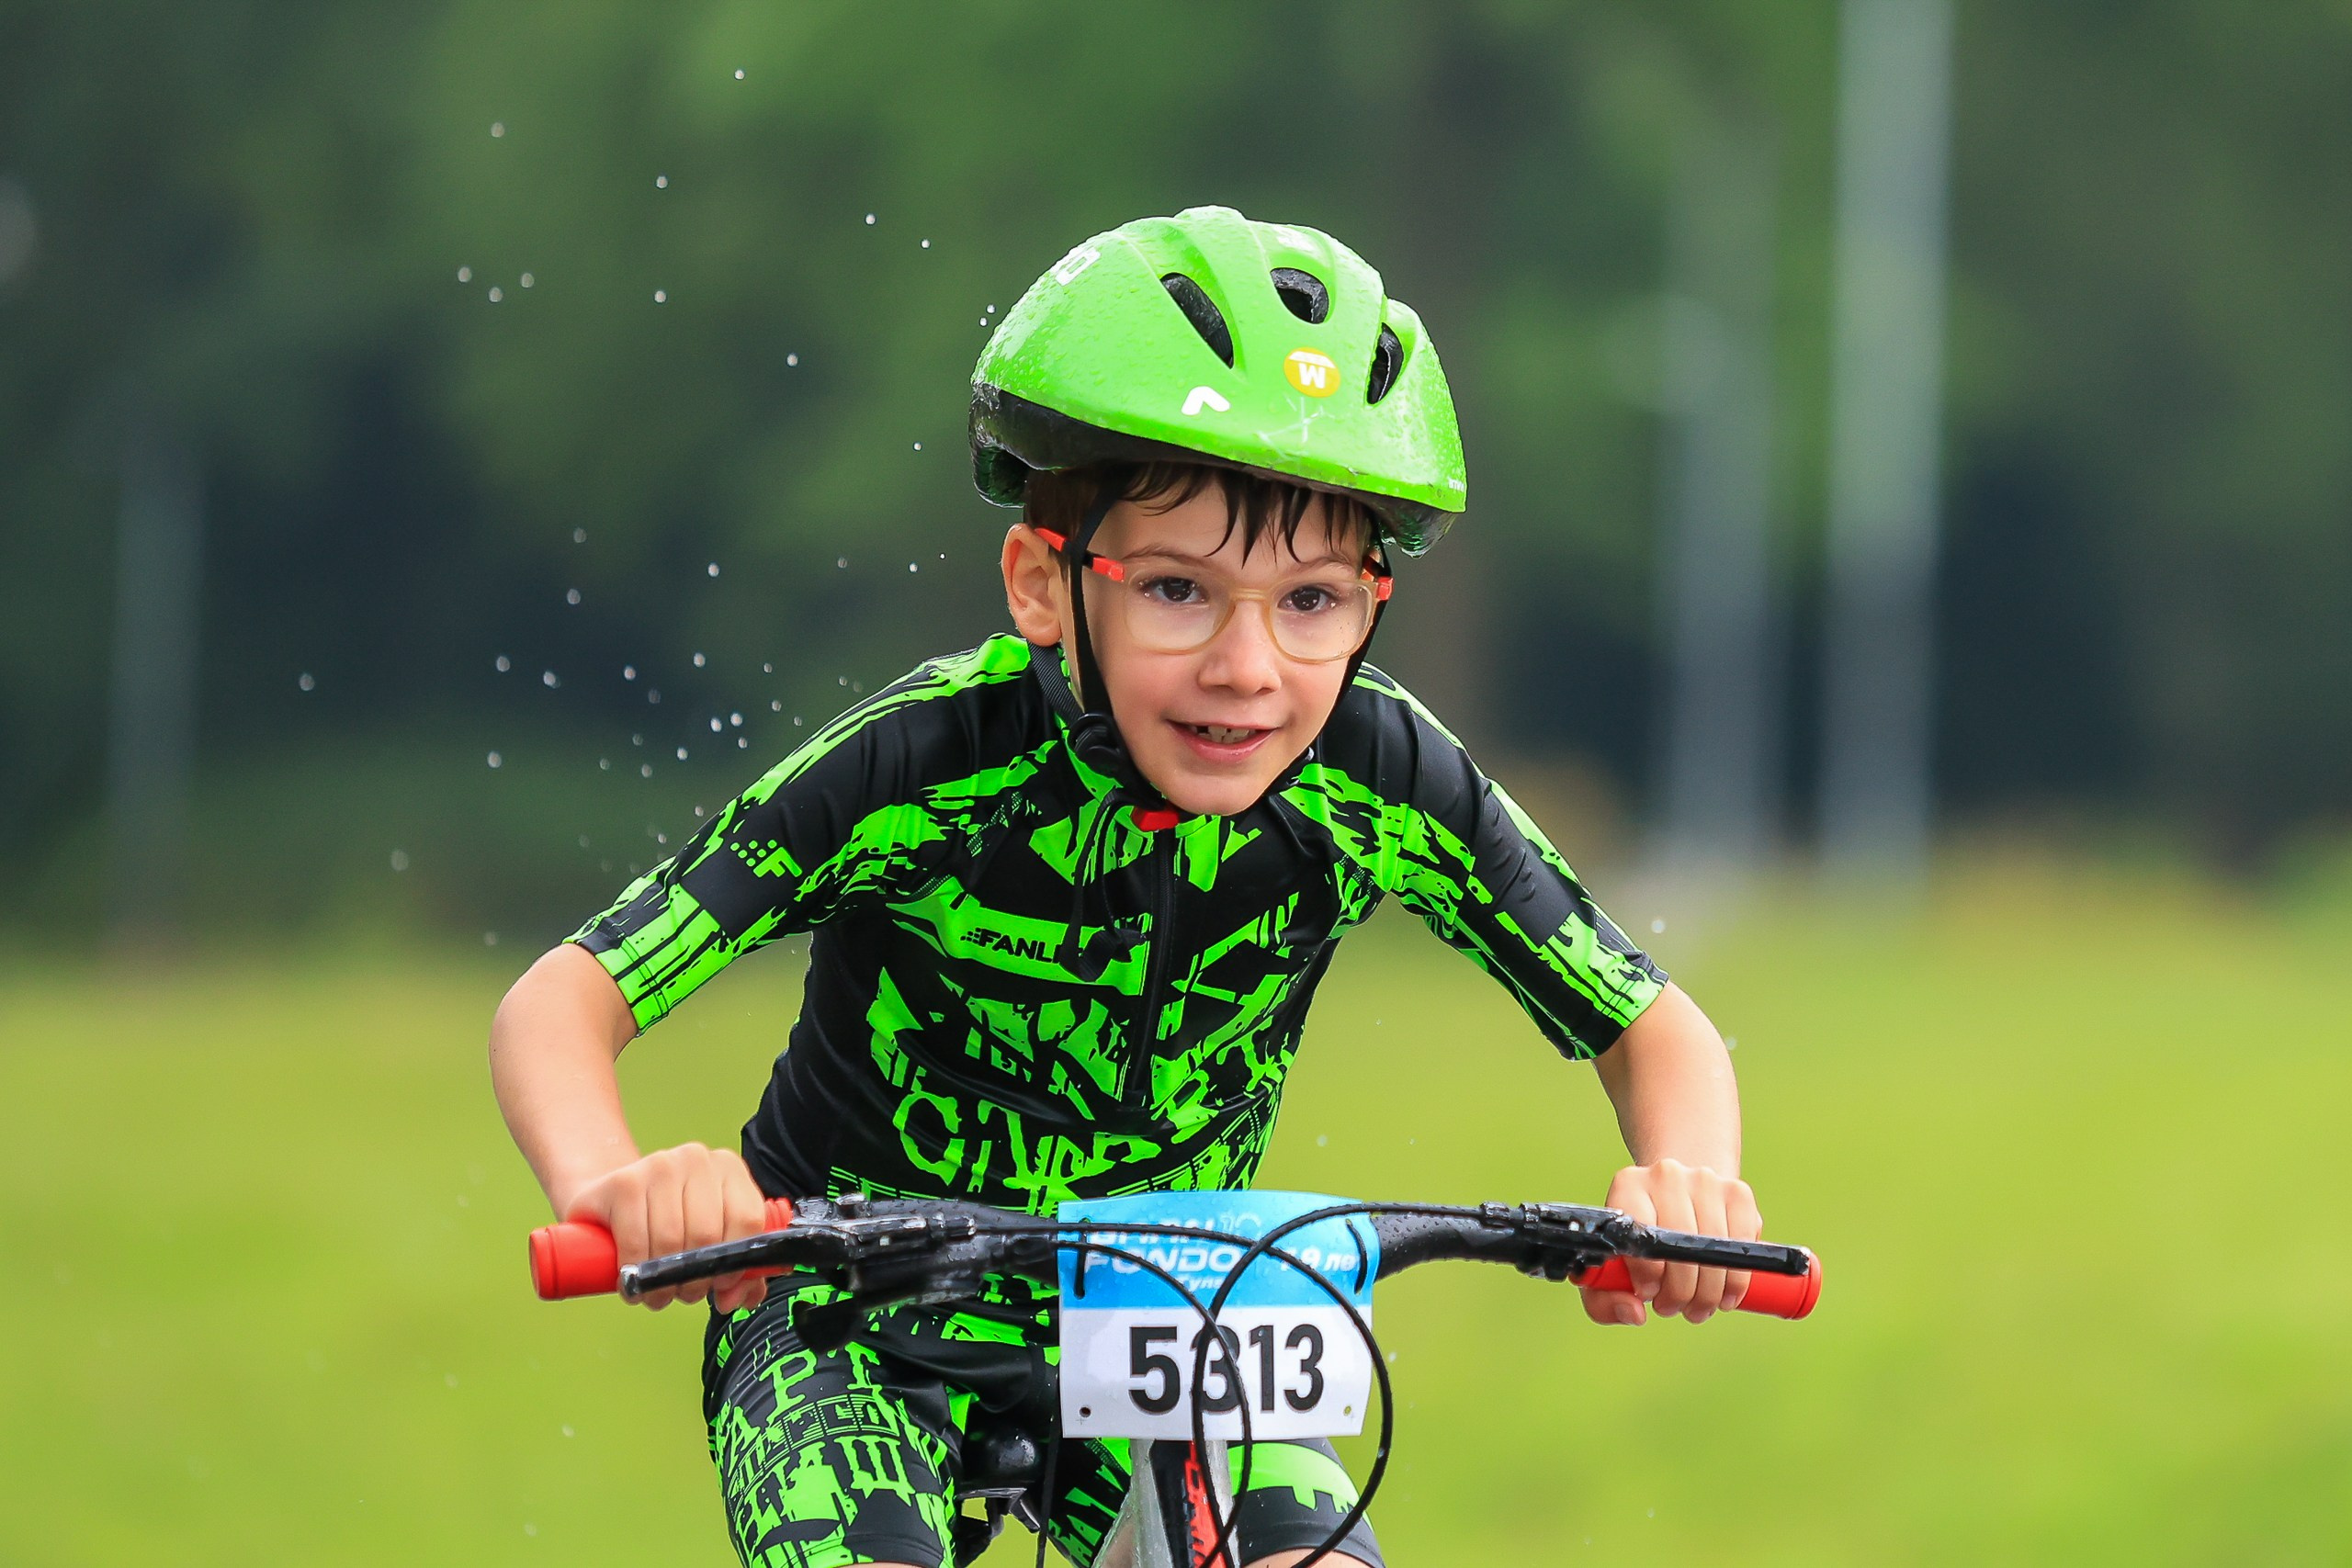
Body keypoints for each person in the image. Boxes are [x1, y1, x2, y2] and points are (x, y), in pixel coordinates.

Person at [490, 206, 1761, 1568]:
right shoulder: (923, 762)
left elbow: (1653, 1028)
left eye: (1314, 601)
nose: (1248, 667)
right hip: (840, 1312)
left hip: (1172, 1313)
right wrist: (622, 1182)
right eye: (1175, 590)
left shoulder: (1378, 774)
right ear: (1045, 587)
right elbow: (560, 1003)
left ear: (1373, 606)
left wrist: (1687, 1188)